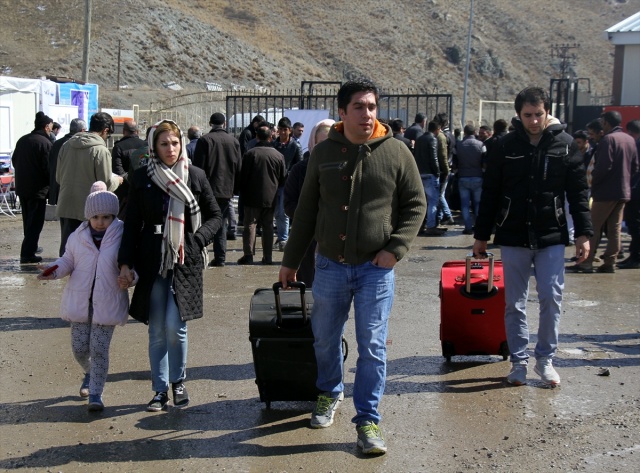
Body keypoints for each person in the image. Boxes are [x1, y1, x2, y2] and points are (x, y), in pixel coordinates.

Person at [278, 79, 426, 455]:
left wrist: (396, 248)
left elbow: (415, 205)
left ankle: (368, 420)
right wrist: (290, 262)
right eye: (359, 106)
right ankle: (329, 391)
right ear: (342, 112)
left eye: (372, 106)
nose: (367, 113)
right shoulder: (324, 153)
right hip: (329, 266)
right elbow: (307, 211)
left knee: (373, 346)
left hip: (376, 269)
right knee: (325, 338)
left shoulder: (396, 152)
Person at [472, 86, 593, 387]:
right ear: (518, 114)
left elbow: (578, 193)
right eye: (528, 115)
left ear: (547, 111)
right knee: (514, 302)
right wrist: (482, 235)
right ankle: (518, 362)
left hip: (551, 235)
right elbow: (490, 193)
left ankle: (546, 360)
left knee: (551, 298)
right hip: (513, 236)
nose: (535, 121)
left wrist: (584, 234)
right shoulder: (504, 146)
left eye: (539, 114)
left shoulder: (565, 146)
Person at [118, 120, 221, 412]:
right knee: (157, 330)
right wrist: (124, 263)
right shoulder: (140, 178)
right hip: (151, 262)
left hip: (184, 261)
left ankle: (179, 380)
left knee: (176, 327)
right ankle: (160, 390)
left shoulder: (195, 176)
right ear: (153, 146)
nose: (171, 149)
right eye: (164, 144)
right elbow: (131, 225)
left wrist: (196, 240)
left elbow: (216, 216)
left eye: (175, 143)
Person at [37, 182, 136, 412]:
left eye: (106, 217)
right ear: (88, 217)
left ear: (114, 216)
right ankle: (90, 372)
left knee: (99, 349)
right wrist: (52, 271)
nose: (100, 222)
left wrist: (130, 276)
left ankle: (96, 393)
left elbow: (131, 264)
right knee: (80, 349)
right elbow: (67, 261)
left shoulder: (123, 235)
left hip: (108, 303)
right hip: (80, 304)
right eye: (96, 217)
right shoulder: (77, 236)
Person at [567, 111, 639, 274]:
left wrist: (594, 183)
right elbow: (635, 166)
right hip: (623, 191)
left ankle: (586, 261)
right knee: (614, 229)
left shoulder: (608, 139)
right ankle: (610, 262)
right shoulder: (629, 139)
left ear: (606, 123)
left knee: (593, 227)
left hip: (605, 192)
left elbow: (603, 167)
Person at [56, 112, 123, 257]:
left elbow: (58, 178)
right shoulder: (100, 150)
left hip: (66, 204)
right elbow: (105, 184)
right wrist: (117, 180)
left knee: (67, 251)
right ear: (105, 130)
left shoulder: (66, 145)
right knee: (86, 253)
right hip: (88, 209)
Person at [283, 118, 335, 285]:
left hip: (336, 241)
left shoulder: (347, 169)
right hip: (307, 239)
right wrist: (310, 216)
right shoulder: (300, 170)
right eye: (322, 144)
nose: (326, 149)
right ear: (314, 142)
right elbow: (288, 203)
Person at [192, 112, 242, 267]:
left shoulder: (204, 140)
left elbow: (198, 167)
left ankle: (202, 254)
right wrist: (235, 188)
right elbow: (239, 167)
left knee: (204, 222)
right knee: (221, 223)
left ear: (210, 123)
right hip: (226, 189)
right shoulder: (234, 141)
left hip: (208, 188)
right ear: (224, 124)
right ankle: (220, 257)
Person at [237, 122, 286, 265]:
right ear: (271, 137)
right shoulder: (278, 155)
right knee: (268, 226)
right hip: (271, 196)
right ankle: (268, 256)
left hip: (251, 196)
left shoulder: (250, 154)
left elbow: (243, 176)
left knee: (250, 225)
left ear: (257, 137)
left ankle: (248, 255)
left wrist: (242, 192)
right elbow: (283, 178)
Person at [11, 111, 53, 263]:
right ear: (46, 127)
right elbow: (48, 168)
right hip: (38, 190)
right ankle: (27, 253)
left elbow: (14, 161)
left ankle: (31, 246)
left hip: (22, 188)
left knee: (28, 221)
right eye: (50, 126)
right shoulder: (45, 143)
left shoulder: (23, 140)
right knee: (35, 223)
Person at [272, 117, 303, 250]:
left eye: (285, 130)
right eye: (281, 129)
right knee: (276, 212)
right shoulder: (273, 145)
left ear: (290, 131)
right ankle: (280, 236)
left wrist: (289, 175)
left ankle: (283, 238)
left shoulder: (295, 146)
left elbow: (299, 164)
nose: (283, 132)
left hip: (287, 182)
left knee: (283, 212)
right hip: (274, 182)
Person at [454, 124, 486, 234]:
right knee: (478, 204)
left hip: (463, 177)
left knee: (465, 205)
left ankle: (468, 227)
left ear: (465, 132)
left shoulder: (459, 145)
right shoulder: (481, 144)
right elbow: (484, 161)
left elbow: (455, 161)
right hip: (477, 176)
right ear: (474, 132)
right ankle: (479, 227)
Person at [414, 121, 445, 235]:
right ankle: (431, 225)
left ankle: (421, 225)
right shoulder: (432, 139)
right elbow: (434, 157)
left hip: (420, 173)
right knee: (433, 201)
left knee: (422, 201)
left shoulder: (420, 139)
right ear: (437, 129)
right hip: (429, 174)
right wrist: (437, 172)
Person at [48, 118, 87, 208]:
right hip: (74, 190)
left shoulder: (57, 143)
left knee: (63, 218)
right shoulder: (80, 145)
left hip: (57, 188)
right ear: (82, 130)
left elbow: (51, 164)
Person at [112, 120, 146, 218]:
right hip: (142, 188)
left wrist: (130, 180)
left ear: (124, 131)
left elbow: (117, 171)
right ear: (138, 131)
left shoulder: (118, 147)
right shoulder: (145, 146)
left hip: (124, 191)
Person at [618, 120, 640, 269]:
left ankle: (636, 257)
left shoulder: (637, 145)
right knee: (634, 225)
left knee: (635, 225)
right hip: (634, 190)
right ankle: (633, 255)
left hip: (636, 191)